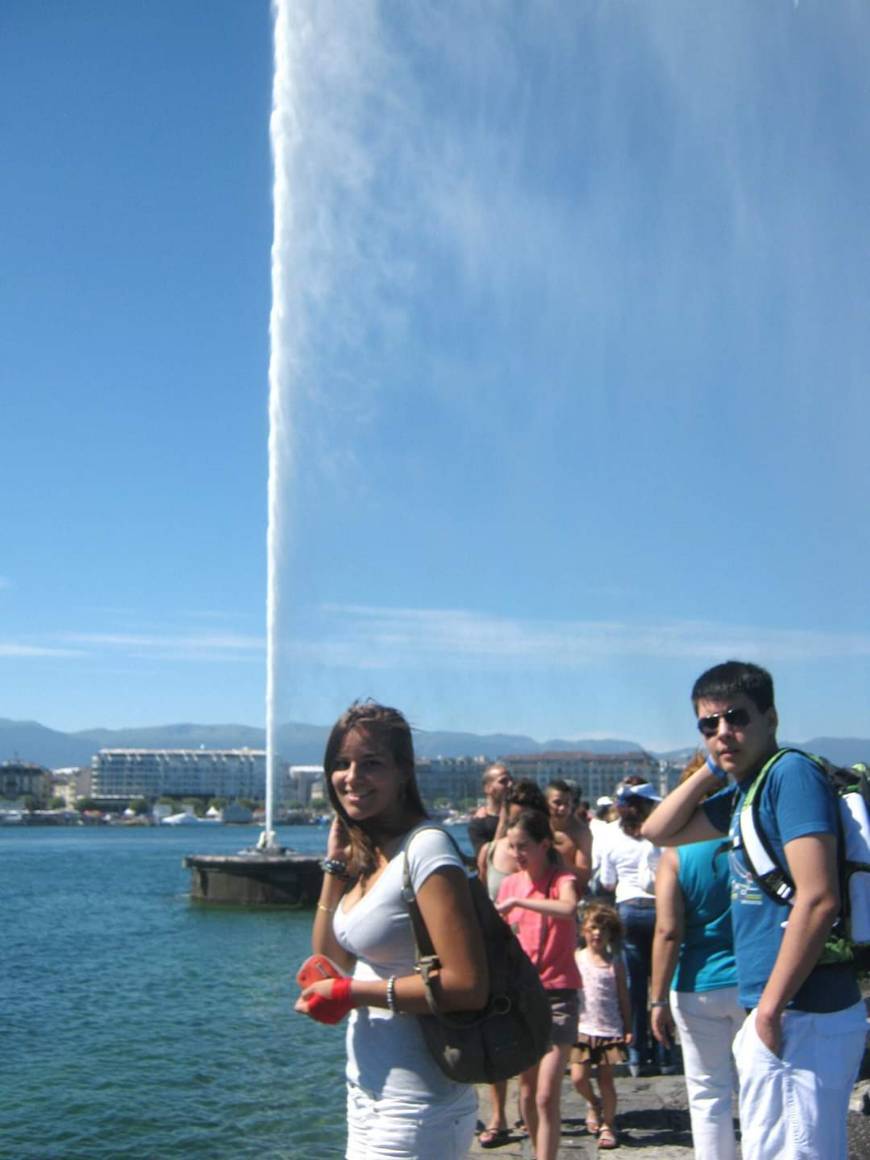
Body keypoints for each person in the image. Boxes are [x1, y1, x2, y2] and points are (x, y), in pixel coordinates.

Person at [642, 661, 866, 1160]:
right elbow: (658, 831)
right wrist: (710, 770)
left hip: (803, 1010)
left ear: (771, 718)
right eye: (708, 724)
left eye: (736, 718)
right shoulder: (749, 789)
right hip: (779, 1009)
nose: (724, 732)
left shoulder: (790, 776)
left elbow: (818, 896)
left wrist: (769, 1009)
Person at [295, 701, 489, 1160]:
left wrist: (352, 994)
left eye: (371, 763)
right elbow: (329, 961)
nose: (351, 776)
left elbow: (468, 986)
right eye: (341, 764)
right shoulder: (372, 853)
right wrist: (334, 866)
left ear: (404, 772)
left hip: (419, 1104)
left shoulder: (427, 850)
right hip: (366, 1092)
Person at [650, 755, 744, 1160]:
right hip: (753, 979)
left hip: (696, 984)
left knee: (707, 1092)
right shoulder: (744, 839)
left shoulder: (675, 855)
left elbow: (668, 931)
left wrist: (656, 999)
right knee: (757, 1086)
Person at [495, 808, 581, 1160]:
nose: (517, 854)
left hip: (559, 994)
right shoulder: (509, 883)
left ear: (544, 844)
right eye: (513, 847)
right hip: (522, 996)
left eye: (524, 846)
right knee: (527, 1095)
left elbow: (568, 907)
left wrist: (519, 902)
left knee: (546, 1094)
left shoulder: (562, 879)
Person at [475, 778, 550, 1149]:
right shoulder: (488, 851)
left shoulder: (539, 855)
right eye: (511, 807)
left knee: (528, 1041)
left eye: (524, 808)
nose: (517, 813)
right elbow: (484, 901)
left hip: (534, 957)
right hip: (497, 956)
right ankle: (498, 1116)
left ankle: (526, 1112)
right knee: (496, 1039)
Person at [598, 778, 671, 1077]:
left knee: (634, 987)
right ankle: (665, 1054)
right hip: (659, 909)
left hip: (628, 909)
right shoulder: (660, 832)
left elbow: (606, 882)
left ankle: (637, 1055)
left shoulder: (610, 837)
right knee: (662, 987)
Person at [570, 903, 631, 1151]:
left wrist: (628, 1027)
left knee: (607, 1080)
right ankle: (593, 1103)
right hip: (582, 1028)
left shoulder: (614, 964)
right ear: (584, 930)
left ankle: (608, 1123)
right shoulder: (576, 958)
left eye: (603, 930)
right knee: (578, 1077)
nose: (597, 933)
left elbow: (624, 998)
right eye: (593, 927)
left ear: (611, 935)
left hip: (608, 1029)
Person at [546, 779, 592, 894]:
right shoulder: (535, 827)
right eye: (557, 803)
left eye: (566, 804)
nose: (562, 808)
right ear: (546, 803)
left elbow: (584, 877)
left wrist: (557, 860)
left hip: (567, 892)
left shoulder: (581, 832)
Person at [468, 763, 513, 855]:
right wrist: (504, 819)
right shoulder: (478, 825)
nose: (510, 784)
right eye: (503, 781)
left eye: (511, 780)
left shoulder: (521, 817)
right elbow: (488, 860)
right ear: (488, 788)